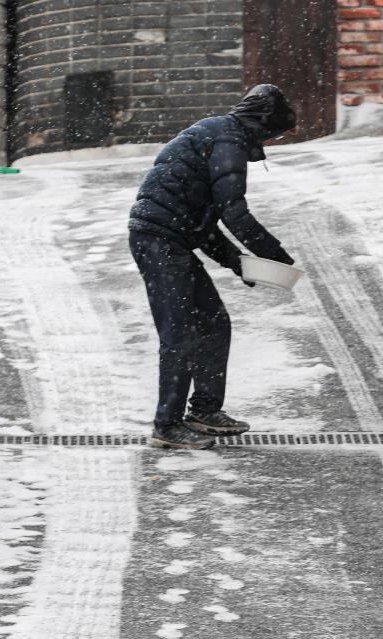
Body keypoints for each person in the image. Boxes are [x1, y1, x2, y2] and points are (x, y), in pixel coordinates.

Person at [128, 84, 297, 449]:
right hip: (157, 240)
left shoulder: (220, 134)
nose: (270, 142)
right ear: (263, 124)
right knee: (181, 332)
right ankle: (166, 426)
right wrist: (274, 255)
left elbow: (203, 224)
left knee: (214, 322)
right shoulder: (227, 139)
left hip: (171, 239)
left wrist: (241, 264)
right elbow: (233, 211)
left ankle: (204, 411)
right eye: (273, 134)